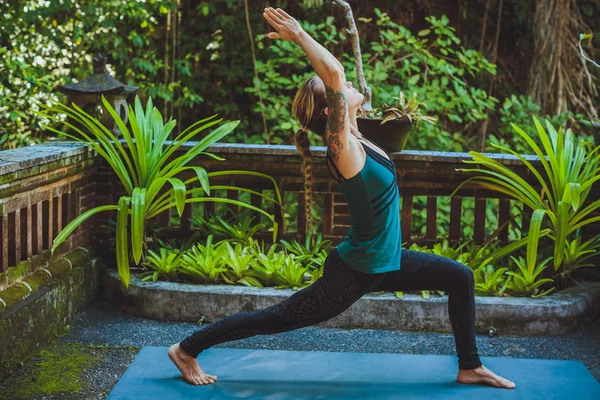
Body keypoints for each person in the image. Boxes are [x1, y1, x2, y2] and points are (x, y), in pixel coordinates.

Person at [168, 7, 516, 390]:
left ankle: (470, 366)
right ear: (331, 110)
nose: (348, 84)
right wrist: (300, 35)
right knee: (277, 318)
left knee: (459, 276)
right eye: (341, 88)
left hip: (384, 261)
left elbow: (339, 79)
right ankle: (186, 349)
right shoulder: (342, 150)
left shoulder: (359, 136)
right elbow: (333, 74)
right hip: (353, 273)